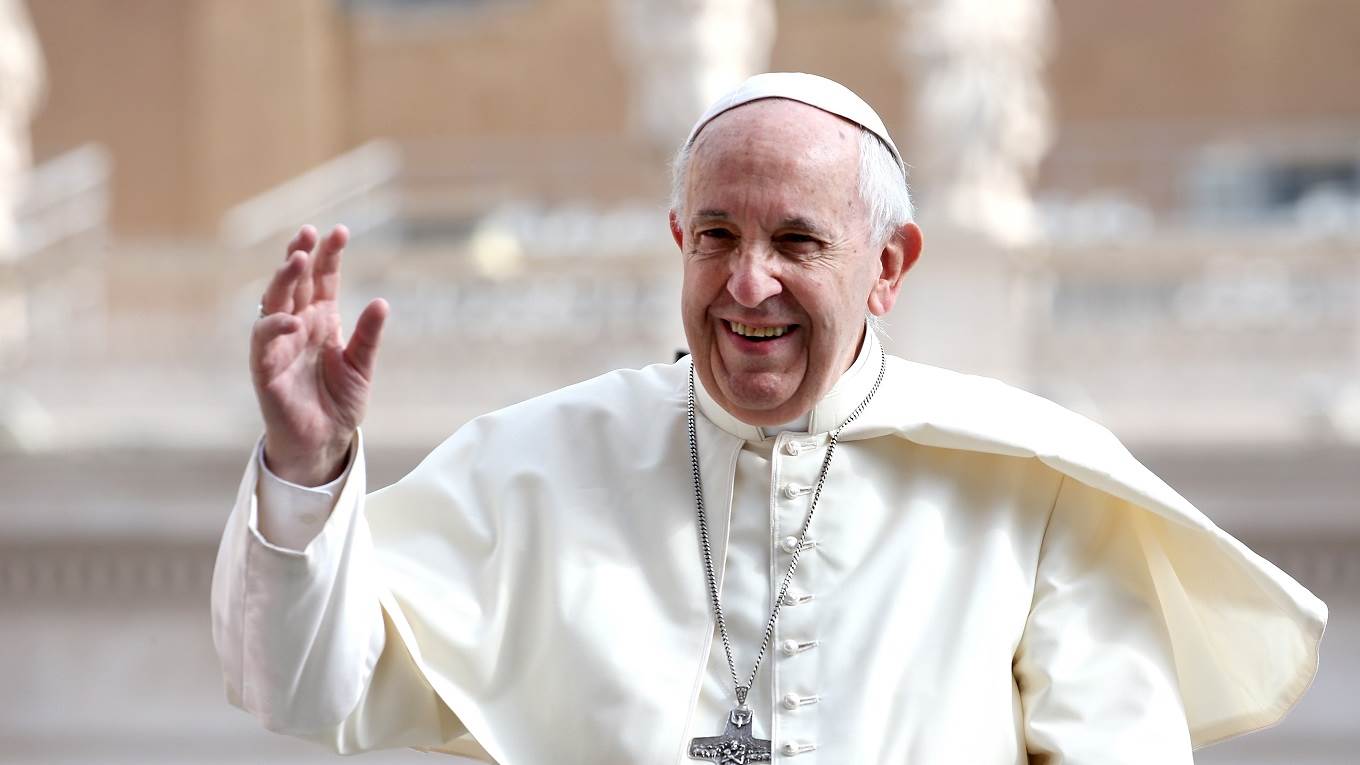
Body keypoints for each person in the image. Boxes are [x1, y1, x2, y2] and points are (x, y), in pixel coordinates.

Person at [212, 73, 1326, 764]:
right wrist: (306, 466)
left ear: (887, 267)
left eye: (797, 242)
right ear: (677, 242)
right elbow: (305, 689)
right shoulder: (534, 468)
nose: (748, 286)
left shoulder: (1038, 485)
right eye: (715, 238)